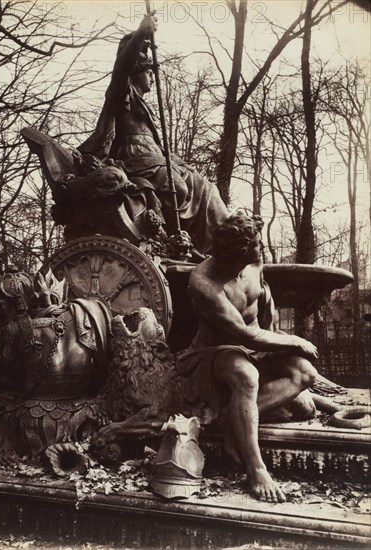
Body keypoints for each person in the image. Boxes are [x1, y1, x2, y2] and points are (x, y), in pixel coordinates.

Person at [177, 212, 318, 502]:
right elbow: (243, 334)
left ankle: (234, 420)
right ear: (239, 251)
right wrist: (293, 340)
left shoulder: (254, 261)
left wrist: (281, 342)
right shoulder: (204, 282)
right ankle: (256, 469)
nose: (261, 246)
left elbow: (265, 308)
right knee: (247, 376)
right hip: (216, 352)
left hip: (258, 343)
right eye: (256, 243)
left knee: (306, 375)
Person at [79, 13, 228, 253]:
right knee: (178, 189)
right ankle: (172, 241)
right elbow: (121, 67)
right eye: (149, 72)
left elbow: (158, 145)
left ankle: (219, 244)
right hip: (136, 159)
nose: (152, 77)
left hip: (156, 157)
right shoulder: (122, 92)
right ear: (137, 73)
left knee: (205, 187)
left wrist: (177, 161)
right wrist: (140, 34)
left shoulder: (144, 104)